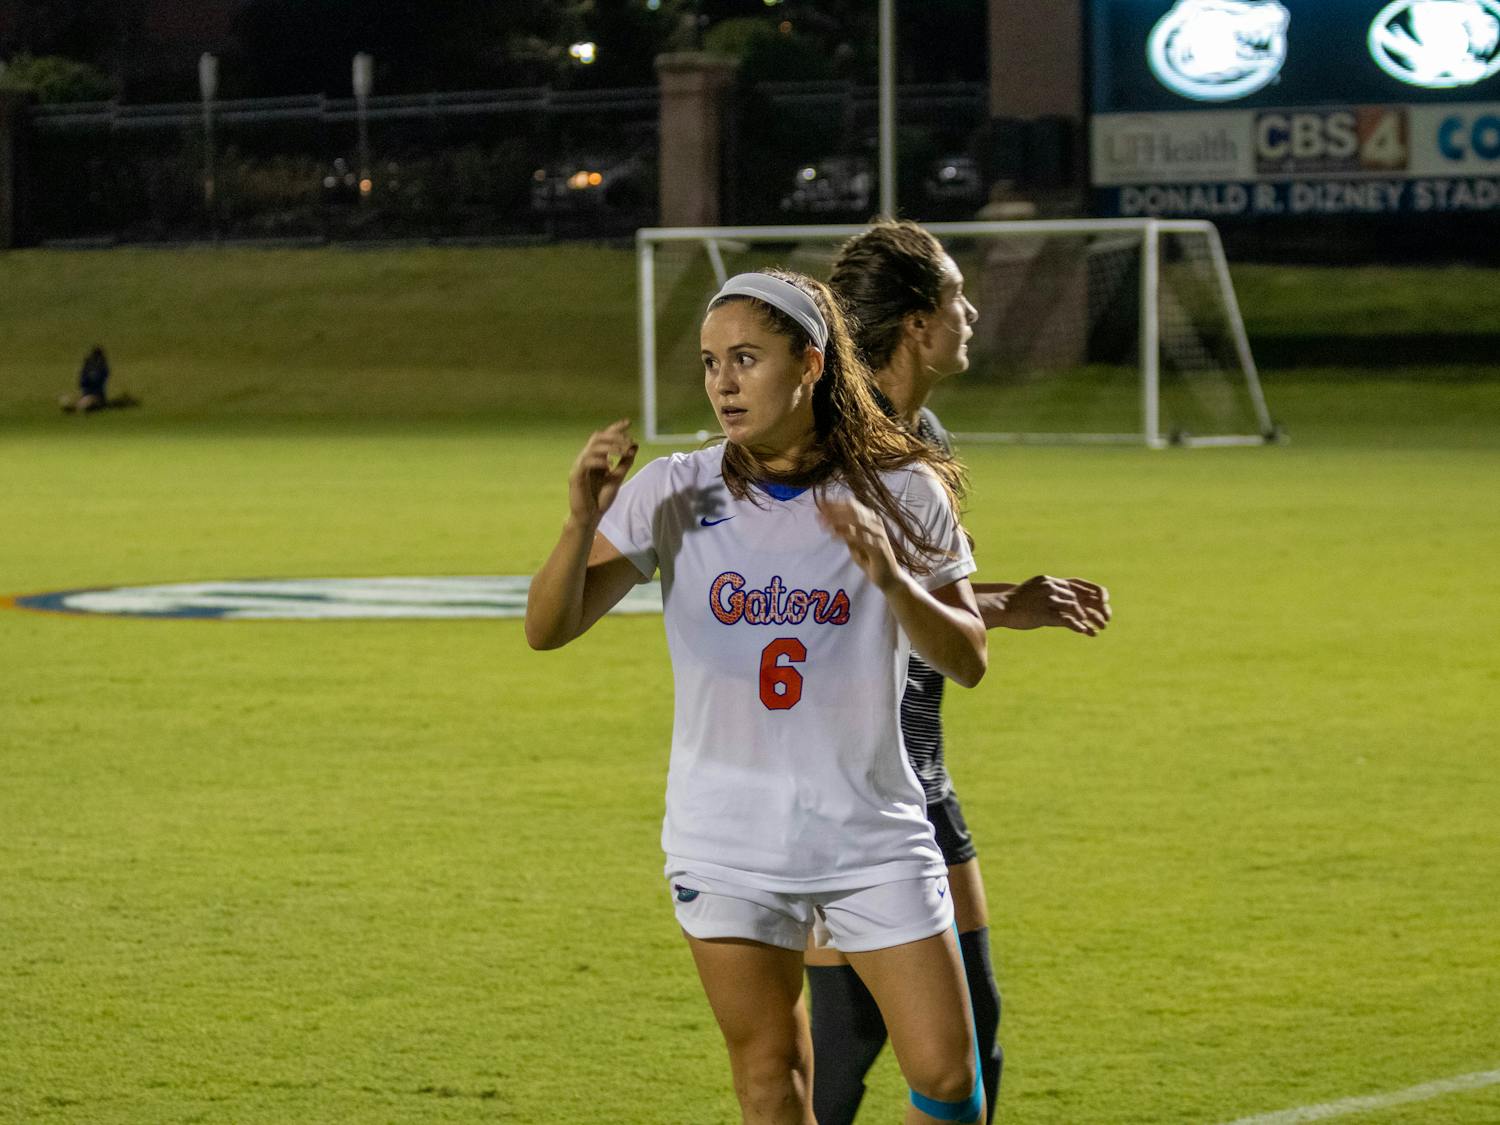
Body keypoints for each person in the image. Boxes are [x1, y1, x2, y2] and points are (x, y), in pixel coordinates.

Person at [526, 269, 991, 1124]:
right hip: (727, 834)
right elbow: (548, 628)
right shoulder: (676, 488)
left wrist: (892, 580)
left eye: (747, 357)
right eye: (710, 363)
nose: (724, 382)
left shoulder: (904, 488)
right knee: (770, 1078)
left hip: (870, 829)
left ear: (810, 363)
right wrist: (579, 522)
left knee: (949, 1074)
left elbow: (966, 657)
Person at [807, 219, 1112, 1125]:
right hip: (847, 775)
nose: (969, 311)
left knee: (971, 1037)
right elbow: (825, 607)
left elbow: (906, 602)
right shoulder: (826, 445)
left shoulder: (920, 433)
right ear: (914, 325)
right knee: (841, 1056)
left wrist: (1002, 601)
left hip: (922, 768)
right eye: (953, 297)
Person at [59, 345, 138, 413]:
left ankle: (76, 409)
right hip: (89, 395)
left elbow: (98, 380)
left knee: (88, 400)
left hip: (97, 396)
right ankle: (75, 407)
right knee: (82, 399)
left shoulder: (100, 369)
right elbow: (83, 382)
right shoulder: (90, 369)